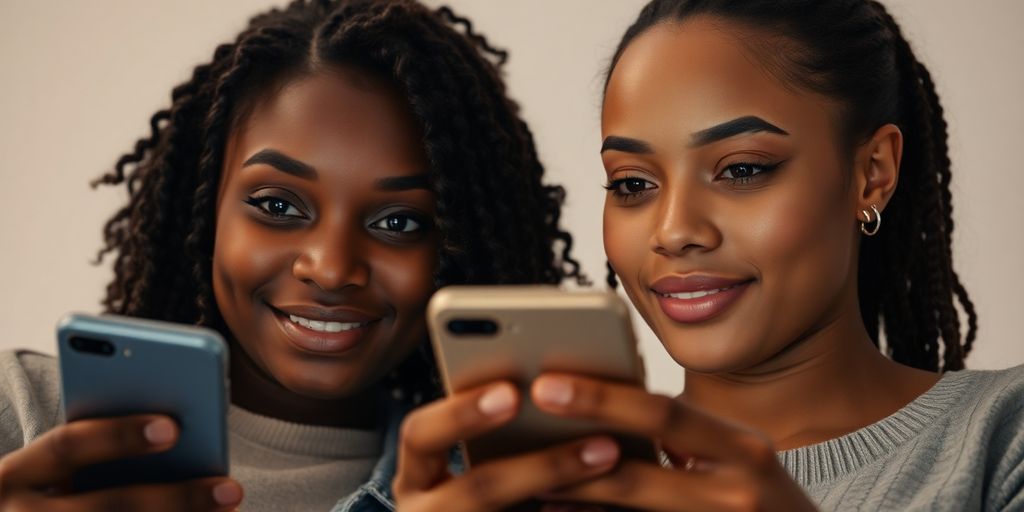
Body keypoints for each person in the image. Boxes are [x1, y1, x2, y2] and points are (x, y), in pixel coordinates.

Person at [394, 1, 1024, 511]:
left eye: (742, 169)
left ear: (872, 173)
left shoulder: (1002, 439)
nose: (673, 231)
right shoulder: (541, 488)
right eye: (633, 184)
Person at [0, 1, 588, 511]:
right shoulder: (22, 412)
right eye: (278, 207)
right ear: (203, 213)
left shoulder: (506, 495)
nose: (332, 269)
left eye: (399, 221)